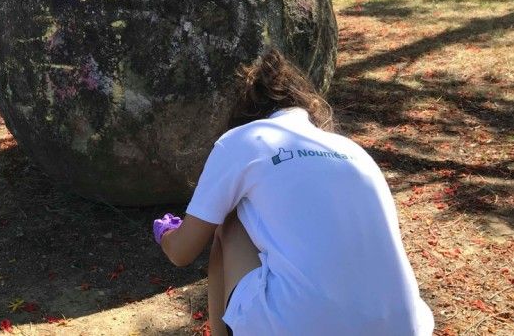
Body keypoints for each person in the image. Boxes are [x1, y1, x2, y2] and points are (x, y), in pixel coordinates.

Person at [153, 49, 434, 336]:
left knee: (229, 219)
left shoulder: (244, 139)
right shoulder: (352, 150)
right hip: (404, 326)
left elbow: (182, 252)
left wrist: (165, 234)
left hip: (301, 325)